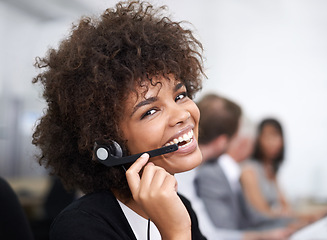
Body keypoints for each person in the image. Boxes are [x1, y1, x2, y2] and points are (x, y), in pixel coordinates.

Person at [32, 1, 206, 239]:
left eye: (180, 96)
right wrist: (175, 233)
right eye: (150, 111)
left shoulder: (178, 206)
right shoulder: (80, 227)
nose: (182, 115)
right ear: (109, 144)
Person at [177, 94, 293, 239]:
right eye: (236, 137)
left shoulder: (192, 173)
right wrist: (264, 236)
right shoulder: (189, 176)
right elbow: (209, 234)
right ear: (221, 142)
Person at [240, 118, 291, 218]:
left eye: (276, 136)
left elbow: (287, 207)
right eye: (267, 136)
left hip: (275, 226)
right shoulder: (249, 170)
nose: (273, 142)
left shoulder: (271, 170)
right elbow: (262, 213)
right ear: (258, 139)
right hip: (261, 229)